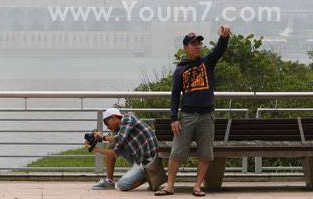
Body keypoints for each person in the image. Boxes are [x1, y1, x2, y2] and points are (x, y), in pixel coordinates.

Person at [155, 25, 231, 197]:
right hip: (187, 116)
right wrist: (173, 118)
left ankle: (197, 186)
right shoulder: (180, 70)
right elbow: (175, 95)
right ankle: (170, 186)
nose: (197, 46)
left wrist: (224, 36)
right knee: (177, 152)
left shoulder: (207, 62)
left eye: (199, 43)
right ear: (185, 47)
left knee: (205, 152)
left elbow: (220, 49)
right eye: (193, 43)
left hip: (206, 116)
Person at [88, 107, 158, 191]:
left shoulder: (128, 118)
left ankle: (152, 176)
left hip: (149, 160)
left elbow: (120, 138)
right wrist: (94, 148)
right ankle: (109, 181)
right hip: (140, 158)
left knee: (123, 185)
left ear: (113, 118)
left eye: (107, 123)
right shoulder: (123, 130)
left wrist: (103, 137)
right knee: (112, 144)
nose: (108, 127)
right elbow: (114, 153)